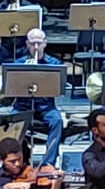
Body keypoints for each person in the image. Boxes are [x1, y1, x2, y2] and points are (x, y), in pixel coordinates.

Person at [6, 28, 65, 167]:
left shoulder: (54, 64)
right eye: (33, 43)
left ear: (45, 43)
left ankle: (48, 163)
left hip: (46, 107)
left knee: (57, 121)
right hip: (23, 106)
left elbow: (58, 90)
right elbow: (11, 90)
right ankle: (19, 160)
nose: (36, 47)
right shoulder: (18, 64)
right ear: (27, 44)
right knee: (10, 122)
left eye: (39, 43)